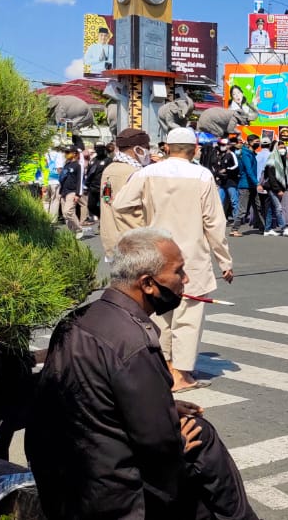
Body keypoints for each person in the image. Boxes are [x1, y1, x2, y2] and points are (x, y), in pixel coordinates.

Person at [27, 228, 256, 519]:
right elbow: (158, 444)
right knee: (201, 436)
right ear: (148, 283)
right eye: (179, 272)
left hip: (64, 478)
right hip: (114, 493)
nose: (185, 280)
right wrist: (177, 438)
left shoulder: (76, 321)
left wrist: (164, 406)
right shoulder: (134, 342)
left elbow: (97, 399)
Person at [112, 128, 234, 391]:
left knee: (159, 313)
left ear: (166, 147)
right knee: (188, 315)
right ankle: (181, 374)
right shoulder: (202, 175)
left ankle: (164, 368)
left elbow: (120, 204)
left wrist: (142, 227)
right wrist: (224, 260)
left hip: (156, 251)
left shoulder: (146, 173)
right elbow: (214, 223)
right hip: (191, 256)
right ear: (195, 150)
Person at [100, 129, 152, 260]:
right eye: (147, 147)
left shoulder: (109, 169)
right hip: (132, 243)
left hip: (110, 239)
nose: (149, 152)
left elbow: (107, 199)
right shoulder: (136, 173)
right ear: (138, 150)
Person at [260, 138, 288, 237]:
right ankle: (284, 228)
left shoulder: (285, 159)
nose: (282, 149)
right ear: (276, 148)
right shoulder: (272, 159)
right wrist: (278, 190)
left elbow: (287, 175)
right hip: (272, 187)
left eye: (284, 147)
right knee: (278, 208)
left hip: (280, 187)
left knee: (271, 208)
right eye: (280, 147)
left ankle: (267, 229)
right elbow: (271, 177)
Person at [230, 137, 260, 237]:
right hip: (245, 185)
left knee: (258, 206)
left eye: (258, 141)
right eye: (256, 142)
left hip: (251, 184)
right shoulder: (246, 154)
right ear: (250, 143)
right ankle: (234, 229)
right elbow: (248, 171)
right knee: (242, 209)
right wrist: (257, 183)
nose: (258, 143)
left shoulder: (251, 154)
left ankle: (262, 227)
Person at [59, 147, 86, 239]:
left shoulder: (78, 165)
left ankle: (79, 229)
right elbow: (63, 179)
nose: (66, 154)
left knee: (68, 211)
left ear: (75, 153)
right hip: (64, 192)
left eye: (68, 152)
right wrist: (60, 192)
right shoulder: (66, 164)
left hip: (72, 191)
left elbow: (80, 180)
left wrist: (78, 194)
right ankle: (72, 232)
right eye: (65, 152)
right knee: (65, 214)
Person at [212, 139, 240, 226]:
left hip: (231, 182)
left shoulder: (231, 154)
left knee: (234, 201)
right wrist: (217, 174)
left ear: (228, 145)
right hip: (222, 182)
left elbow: (236, 166)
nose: (222, 146)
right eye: (220, 144)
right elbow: (216, 167)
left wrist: (226, 170)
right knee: (220, 201)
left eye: (223, 144)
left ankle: (236, 220)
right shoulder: (220, 155)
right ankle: (221, 220)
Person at [85, 143, 112, 227]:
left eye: (101, 148)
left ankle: (103, 224)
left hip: (105, 188)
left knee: (105, 206)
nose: (99, 150)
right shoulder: (93, 160)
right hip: (93, 187)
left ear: (104, 149)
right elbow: (89, 173)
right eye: (97, 148)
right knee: (91, 206)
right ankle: (101, 218)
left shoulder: (108, 160)